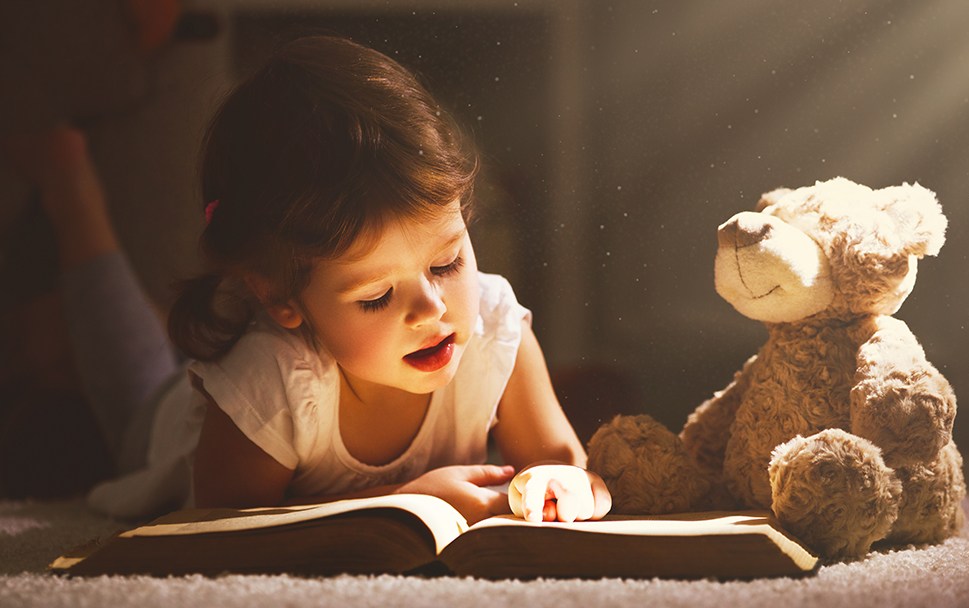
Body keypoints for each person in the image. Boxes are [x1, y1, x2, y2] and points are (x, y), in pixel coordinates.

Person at [1, 35, 610, 525]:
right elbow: (218, 528)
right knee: (133, 381)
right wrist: (402, 501)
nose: (433, 309)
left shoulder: (491, 324)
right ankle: (70, 189)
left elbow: (569, 466)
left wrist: (565, 483)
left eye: (447, 263)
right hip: (169, 435)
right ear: (280, 298)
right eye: (376, 296)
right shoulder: (272, 379)